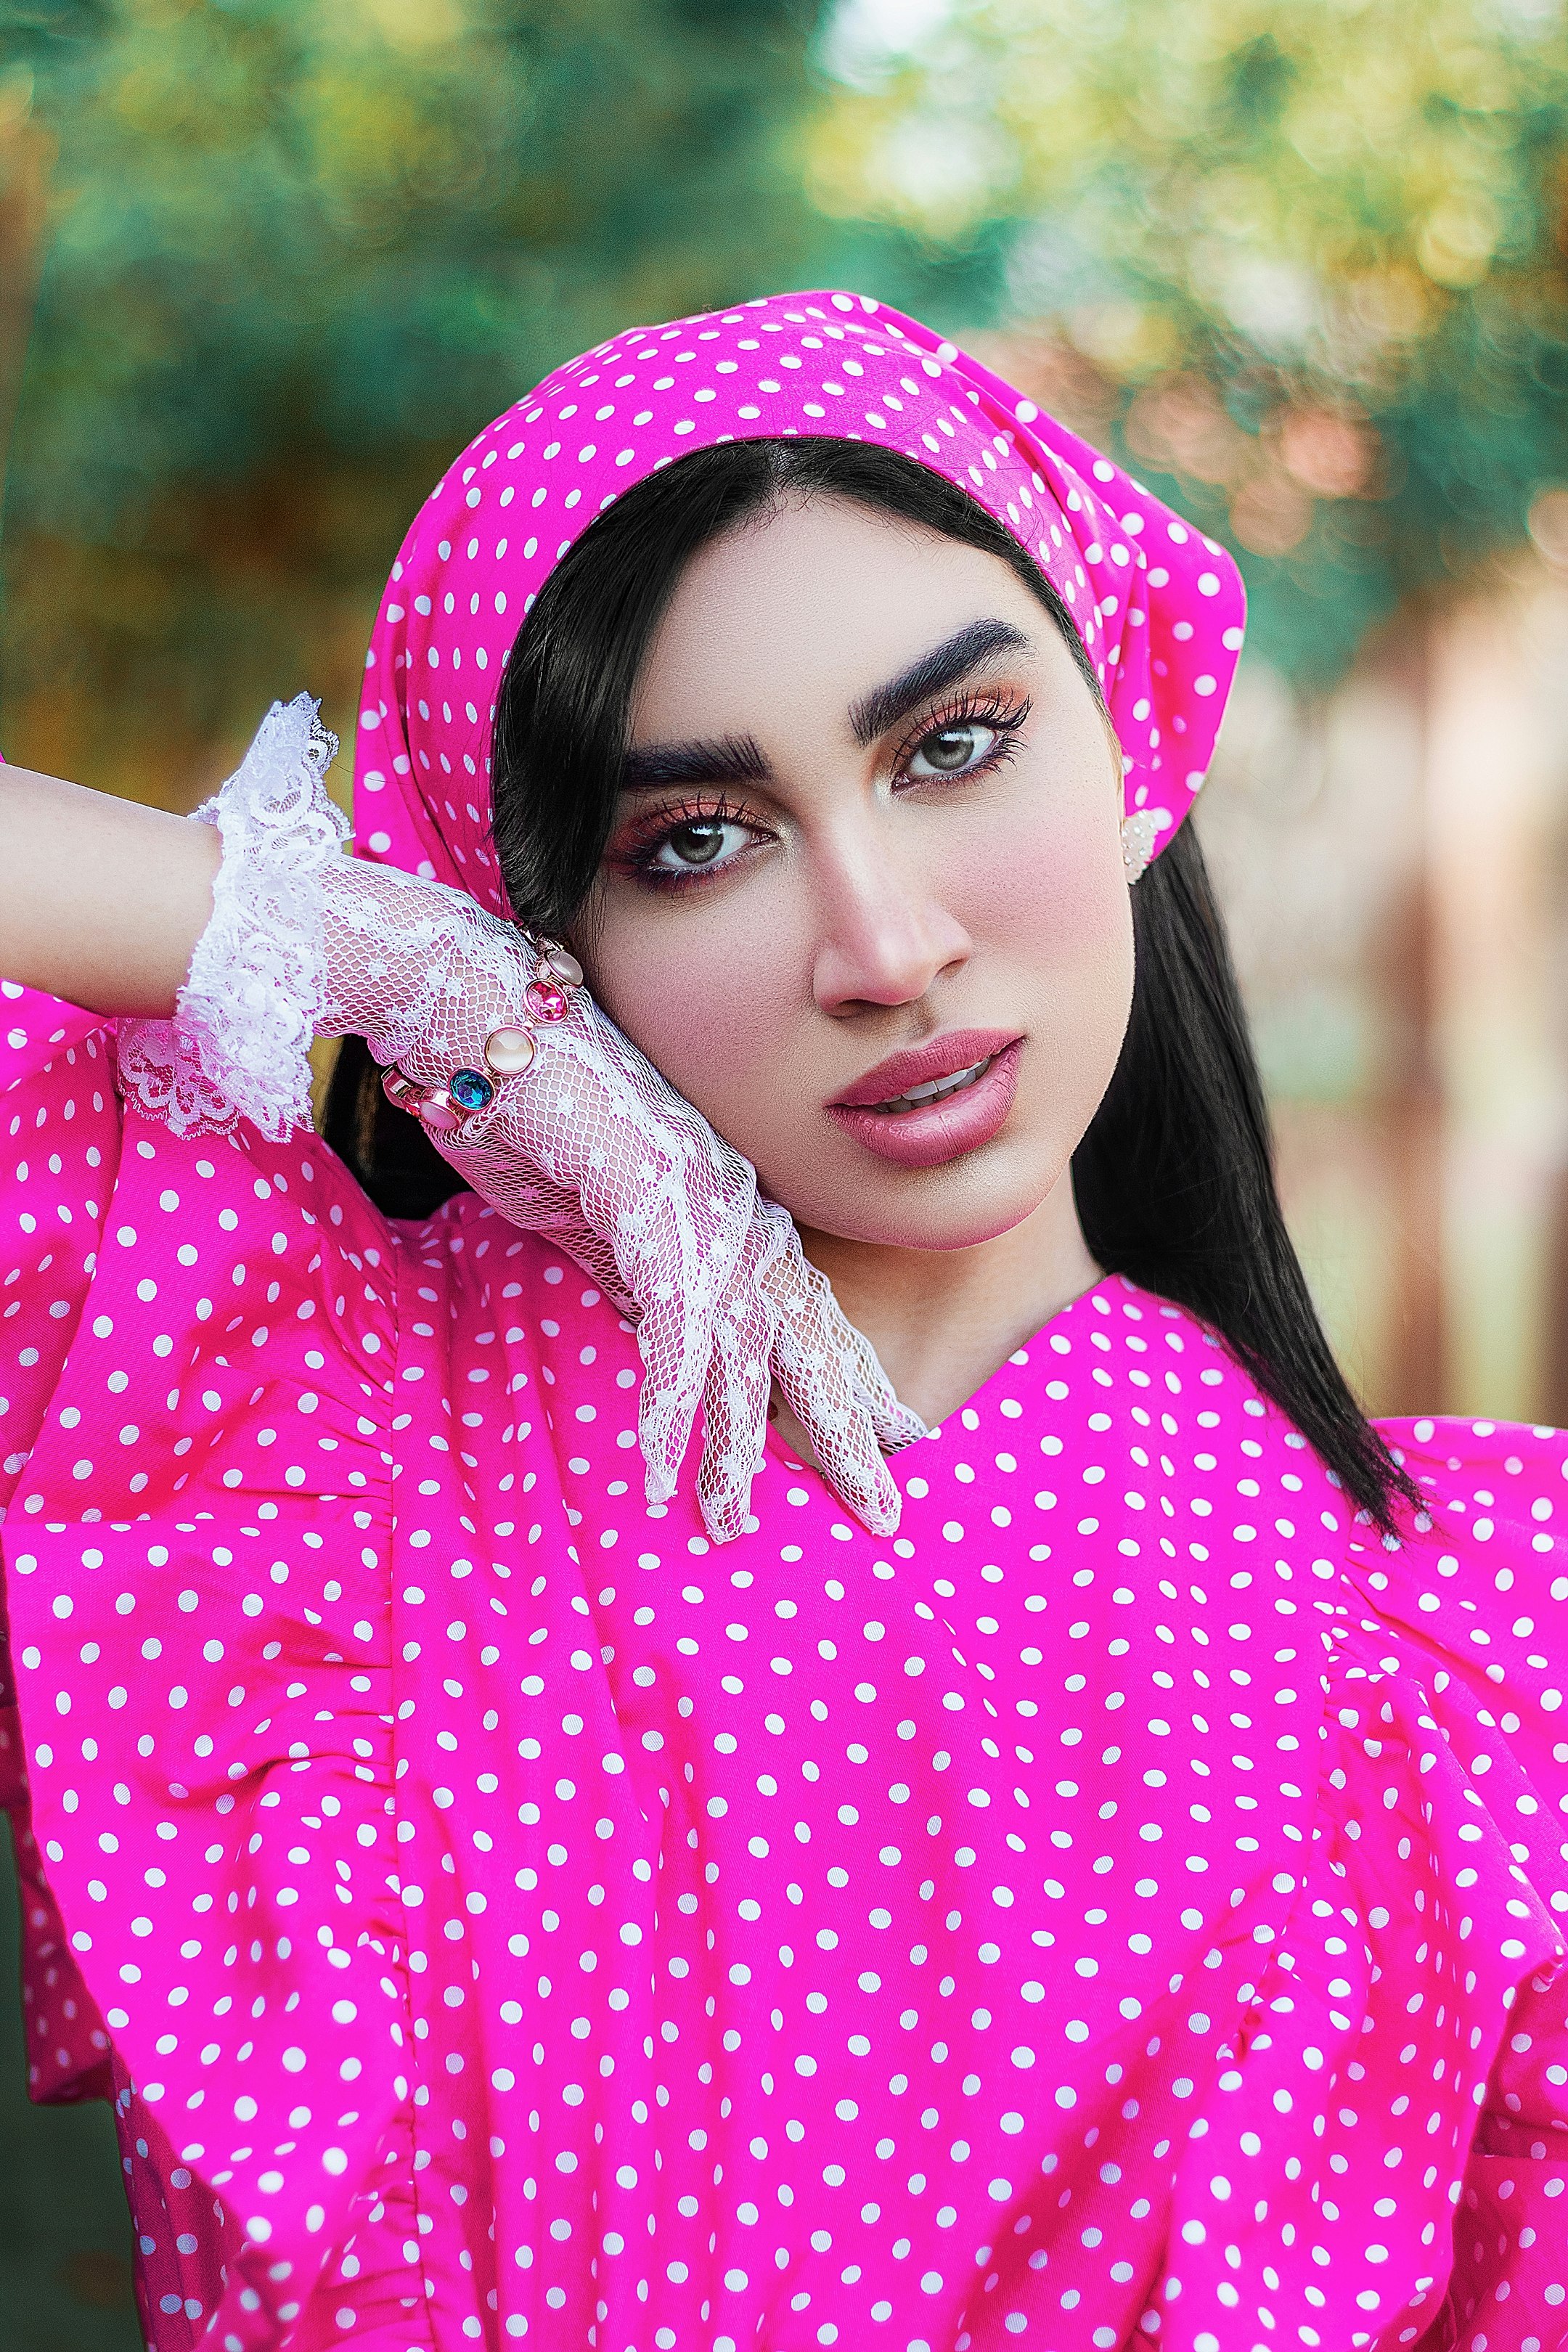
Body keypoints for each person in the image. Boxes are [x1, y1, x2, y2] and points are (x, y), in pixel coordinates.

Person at [1, 288, 1565, 2352]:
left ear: (1136, 744)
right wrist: (376, 959)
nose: (886, 946)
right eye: (697, 841)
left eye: (959, 743)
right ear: (540, 907)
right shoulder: (292, 1418)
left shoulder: (1484, 1648)